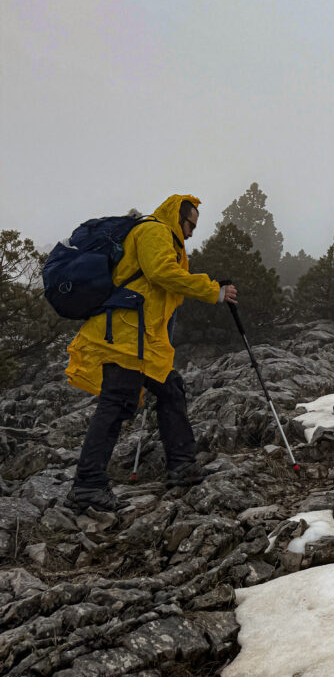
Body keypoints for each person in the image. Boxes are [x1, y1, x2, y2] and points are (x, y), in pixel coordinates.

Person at [64, 195, 239, 513]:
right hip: (124, 337)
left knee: (170, 389)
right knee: (116, 404)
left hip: (142, 340)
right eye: (190, 225)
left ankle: (182, 467)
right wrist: (212, 291)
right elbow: (161, 273)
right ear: (178, 217)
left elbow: (159, 287)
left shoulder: (164, 236)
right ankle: (87, 485)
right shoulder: (155, 231)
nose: (191, 233)